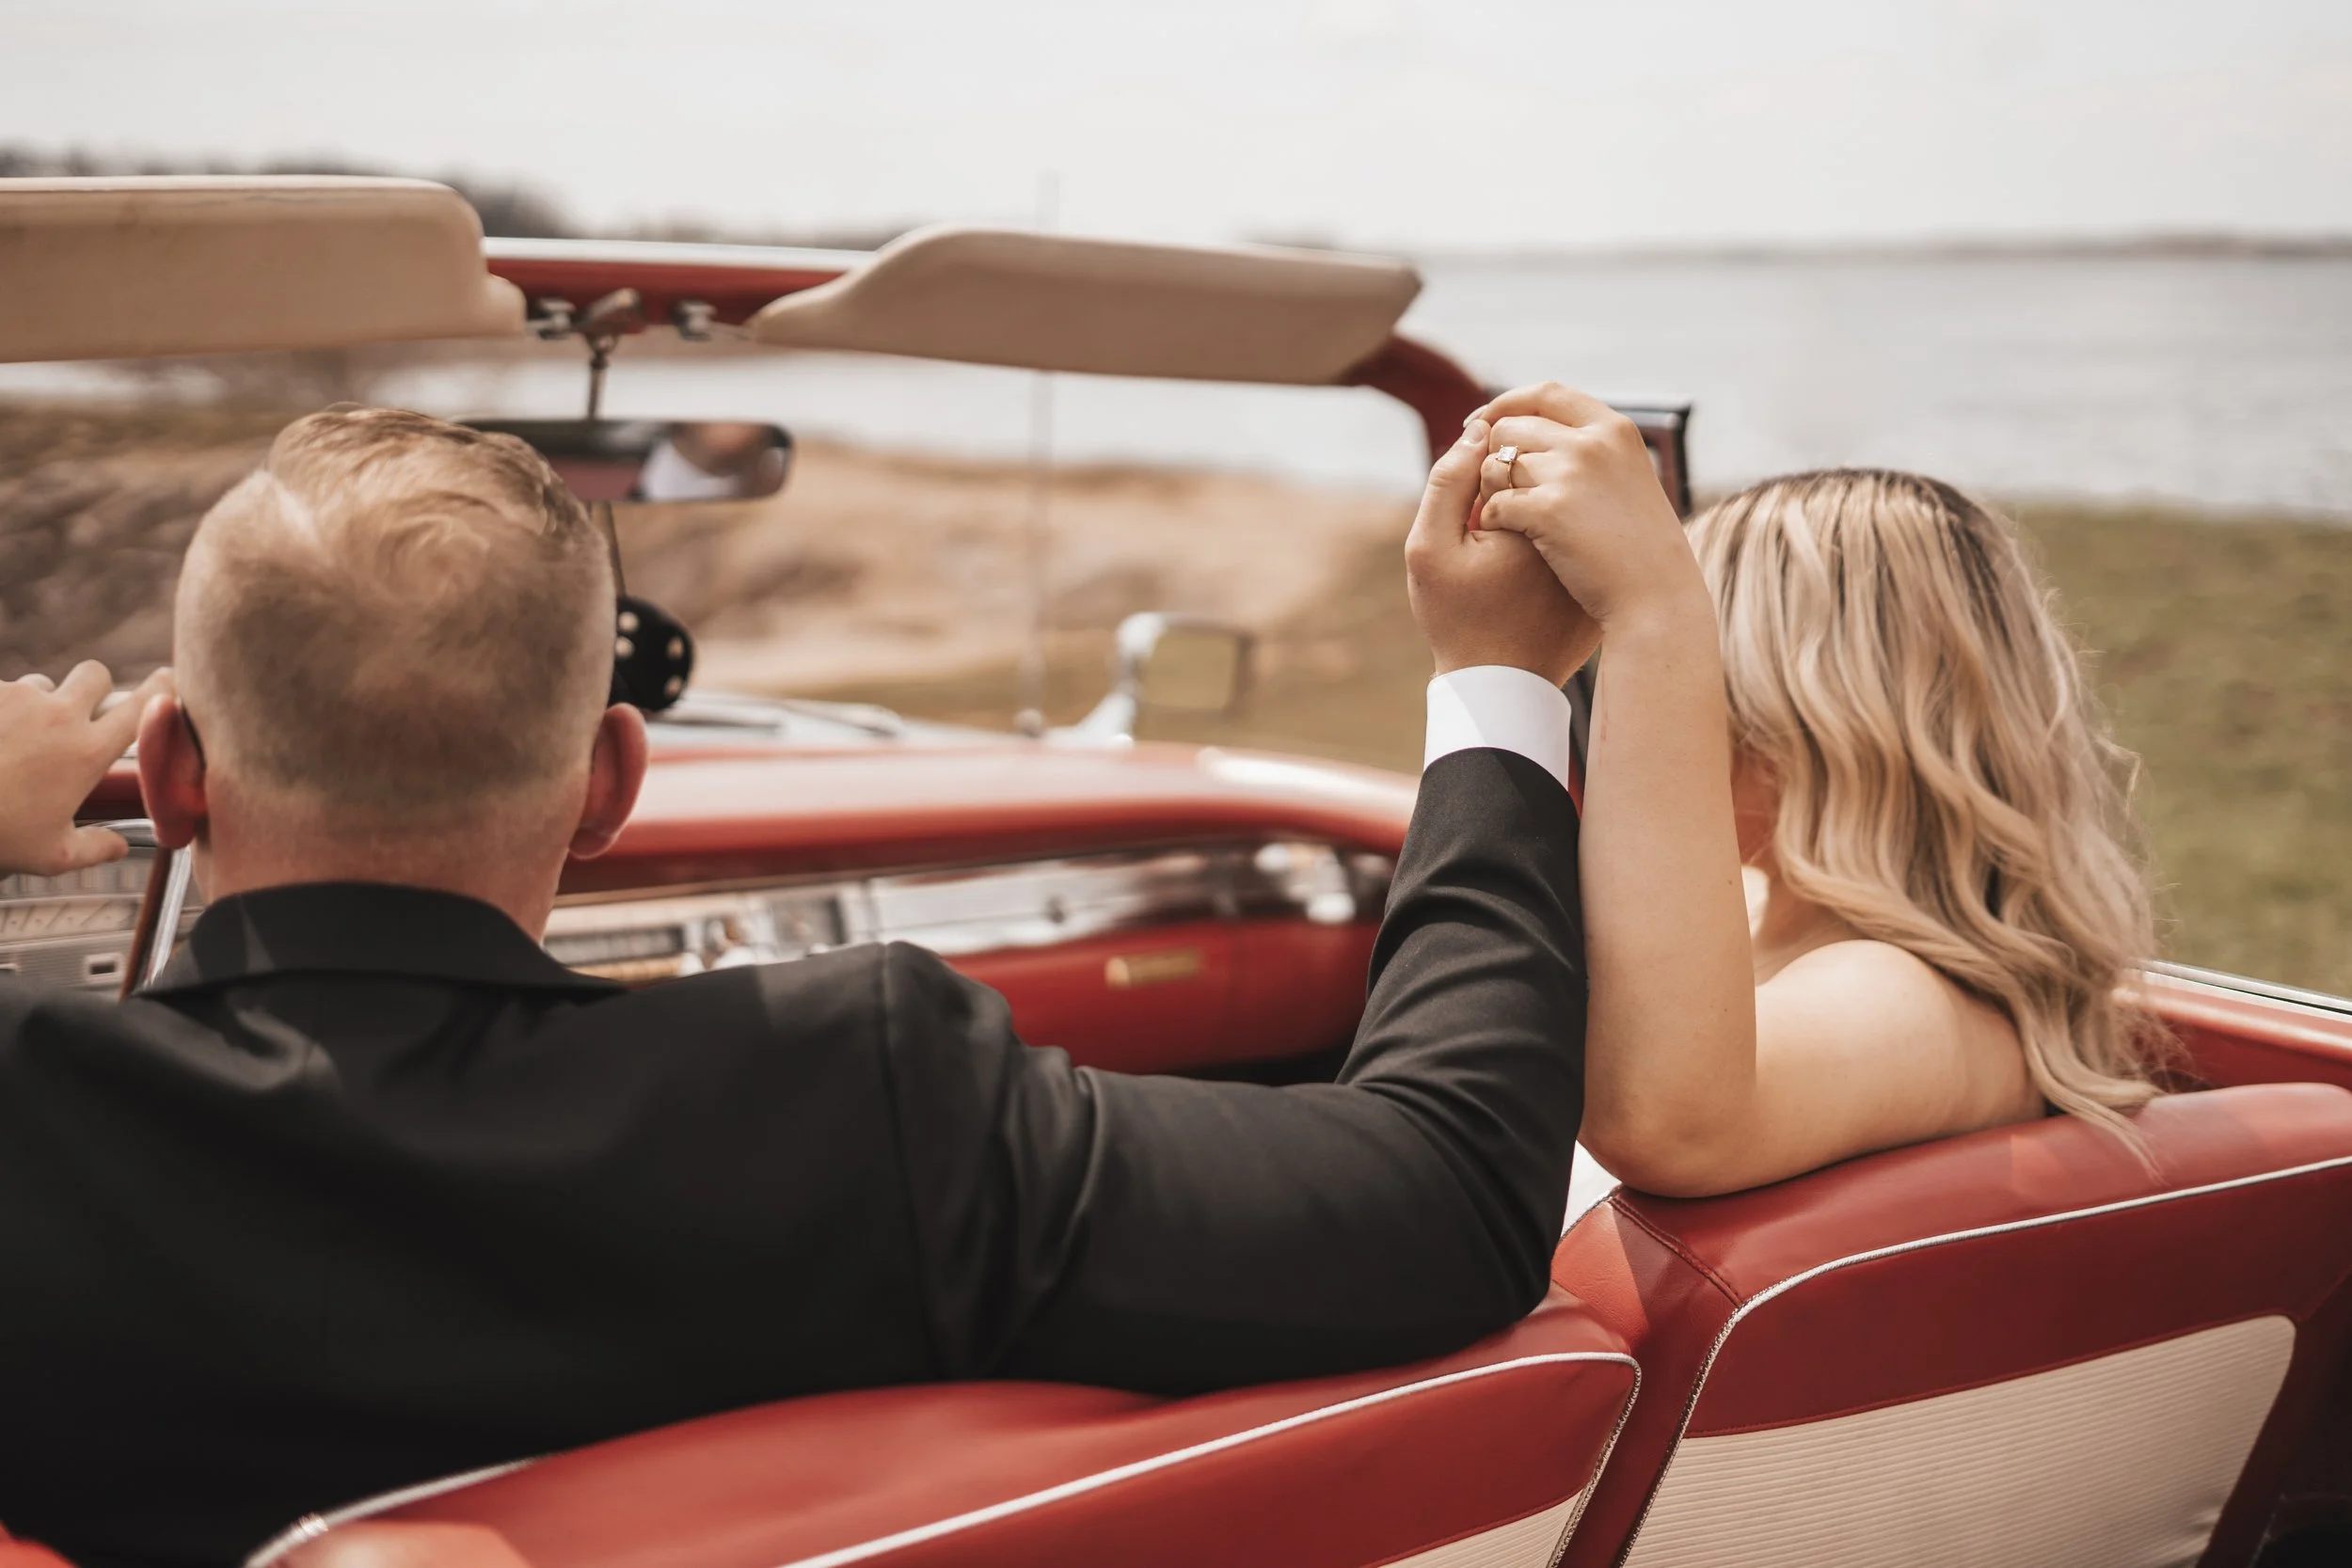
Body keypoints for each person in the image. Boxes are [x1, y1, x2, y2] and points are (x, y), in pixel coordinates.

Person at [0, 404, 1598, 1565]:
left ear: (174, 772)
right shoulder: (857, 1097)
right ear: (615, 782)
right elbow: (1446, 1194)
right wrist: (1499, 683)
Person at [1469, 385, 2166, 1199]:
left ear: (1805, 728)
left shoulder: (1917, 1001)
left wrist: (1651, 617)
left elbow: (1667, 1120)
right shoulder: (1764, 914)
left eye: (1690, 667)